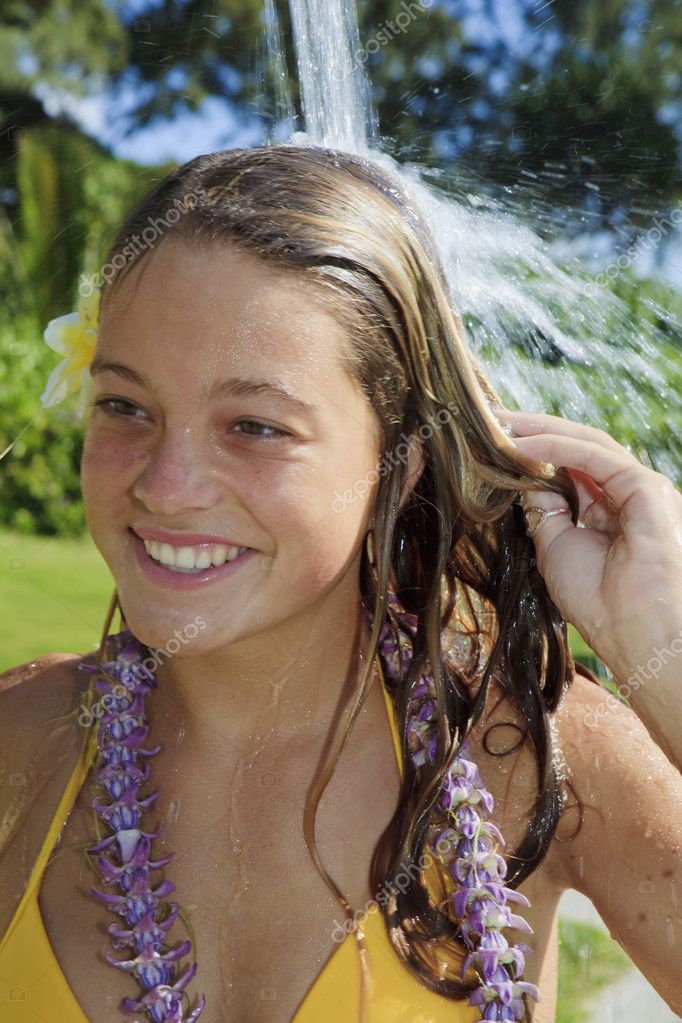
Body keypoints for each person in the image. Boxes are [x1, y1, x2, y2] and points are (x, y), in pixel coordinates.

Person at [0, 144, 681, 1023]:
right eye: (126, 406)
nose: (165, 485)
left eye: (254, 425)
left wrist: (662, 646)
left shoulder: (532, 757)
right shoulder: (25, 745)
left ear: (397, 465)